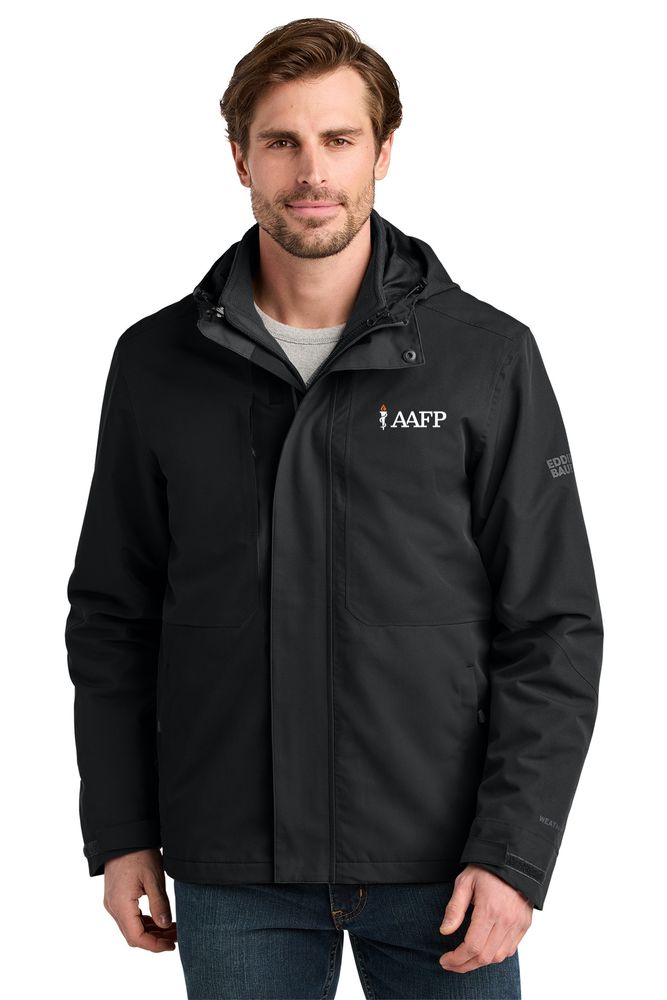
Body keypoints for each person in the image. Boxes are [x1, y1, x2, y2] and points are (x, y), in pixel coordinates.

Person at [65, 16, 604, 1000]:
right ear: (240, 158)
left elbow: (553, 624)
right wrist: (122, 829)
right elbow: (112, 615)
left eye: (339, 139)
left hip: (446, 862)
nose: (311, 171)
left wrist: (515, 852)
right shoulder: (156, 364)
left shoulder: (485, 357)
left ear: (383, 151)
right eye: (281, 141)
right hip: (231, 862)